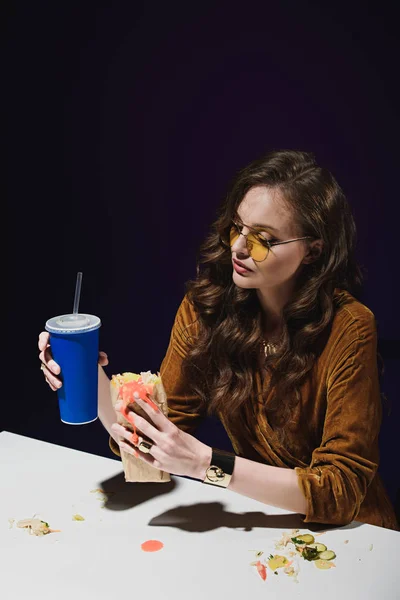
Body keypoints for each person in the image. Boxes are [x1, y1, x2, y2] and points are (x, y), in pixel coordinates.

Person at [38, 149, 398, 530]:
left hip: (356, 534)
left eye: (263, 239)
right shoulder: (206, 309)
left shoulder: (350, 327)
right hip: (266, 526)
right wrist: (87, 372)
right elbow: (153, 444)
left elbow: (340, 490)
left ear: (313, 251)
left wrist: (207, 465)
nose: (239, 248)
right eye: (237, 228)